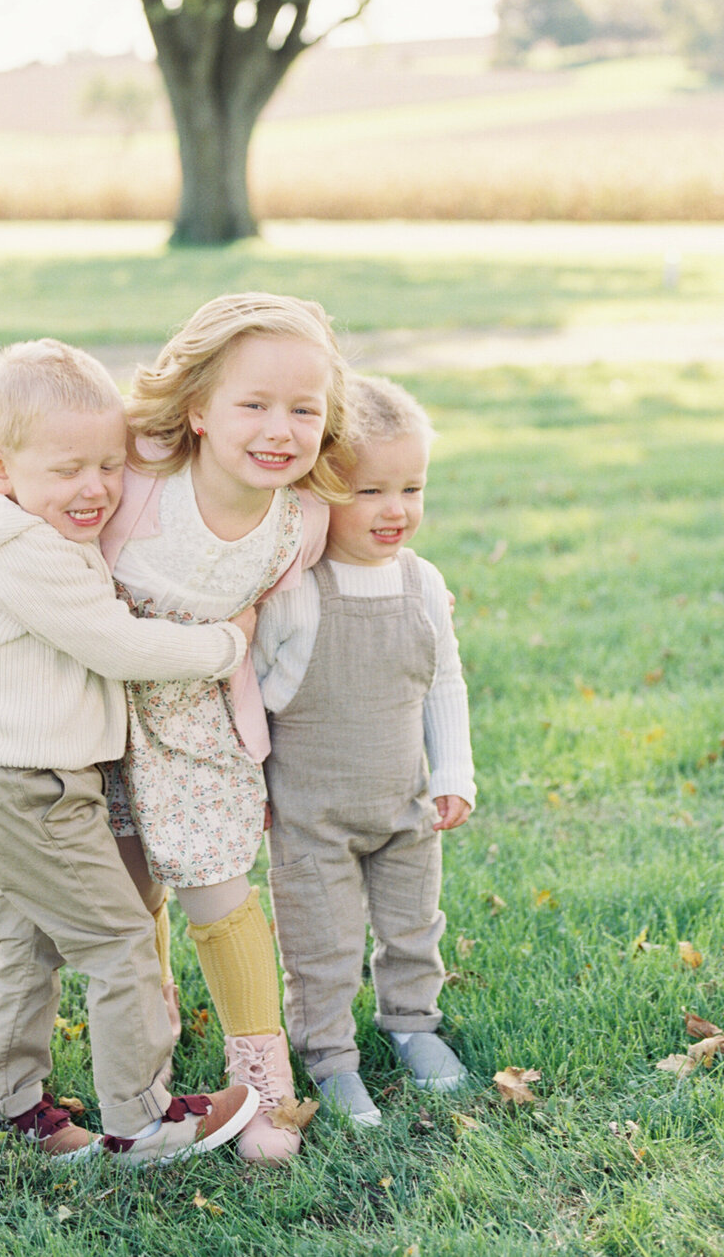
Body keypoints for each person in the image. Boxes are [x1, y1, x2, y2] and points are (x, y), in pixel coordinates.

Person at [0, 293, 350, 1163]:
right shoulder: (139, 458)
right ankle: (143, 1093)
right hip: (84, 729)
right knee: (119, 913)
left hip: (182, 729)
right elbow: (5, 453)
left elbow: (311, 609)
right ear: (196, 409)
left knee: (193, 897)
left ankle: (259, 1083)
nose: (279, 427)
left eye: (305, 409)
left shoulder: (300, 520)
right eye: (253, 404)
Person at [252, 373, 475, 1127]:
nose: (396, 511)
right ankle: (332, 1058)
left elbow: (443, 681)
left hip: (405, 803)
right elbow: (251, 693)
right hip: (312, 815)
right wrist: (250, 782)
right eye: (371, 492)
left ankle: (413, 1023)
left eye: (411, 489)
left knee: (415, 923)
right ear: (319, 493)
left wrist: (453, 772)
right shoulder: (296, 592)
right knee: (323, 942)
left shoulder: (423, 582)